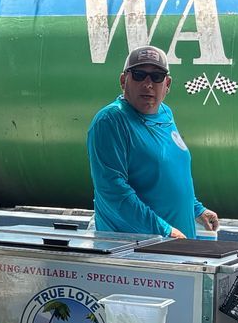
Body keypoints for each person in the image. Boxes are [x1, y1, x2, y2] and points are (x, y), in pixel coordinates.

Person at [87, 45, 218, 239]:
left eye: (157, 77)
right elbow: (113, 191)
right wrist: (163, 230)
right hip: (136, 251)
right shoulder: (112, 121)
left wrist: (196, 209)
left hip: (175, 246)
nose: (148, 83)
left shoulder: (165, 113)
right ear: (123, 80)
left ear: (167, 84)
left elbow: (168, 172)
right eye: (139, 75)